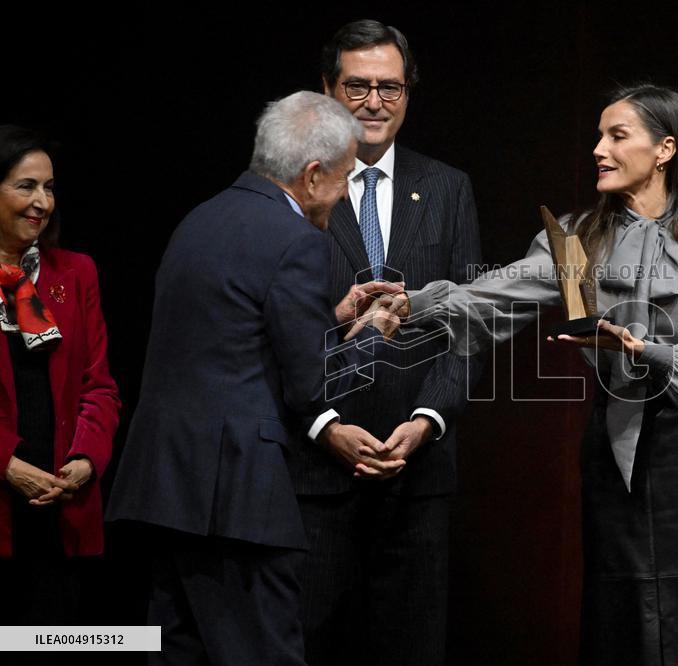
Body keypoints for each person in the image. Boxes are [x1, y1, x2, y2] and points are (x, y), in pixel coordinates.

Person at [377, 84, 678, 664]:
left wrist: (645, 350)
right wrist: (411, 304)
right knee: (626, 623)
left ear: (665, 149)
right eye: (599, 136)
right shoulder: (577, 240)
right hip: (612, 456)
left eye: (617, 136)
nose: (598, 149)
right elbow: (494, 294)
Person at [105, 91, 401, 665]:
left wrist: (331, 318)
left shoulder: (200, 218)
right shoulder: (297, 240)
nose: (345, 195)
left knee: (177, 652)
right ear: (312, 175)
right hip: (235, 500)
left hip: (168, 487)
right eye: (344, 179)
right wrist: (371, 336)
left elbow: (232, 338)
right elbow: (311, 387)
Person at [286, 19, 483, 666]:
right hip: (316, 469)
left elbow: (468, 325)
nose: (374, 102)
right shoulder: (297, 184)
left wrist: (427, 421)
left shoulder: (448, 187)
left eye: (390, 88)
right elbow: (275, 327)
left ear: (408, 92)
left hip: (416, 473)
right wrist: (325, 426)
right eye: (357, 86)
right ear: (327, 89)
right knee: (305, 647)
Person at [0, 125, 121, 633]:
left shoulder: (76, 272)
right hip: (3, 502)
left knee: (52, 642)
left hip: (59, 508)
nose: (42, 202)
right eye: (26, 186)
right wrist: (7, 464)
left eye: (49, 188)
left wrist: (86, 460)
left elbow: (100, 386)